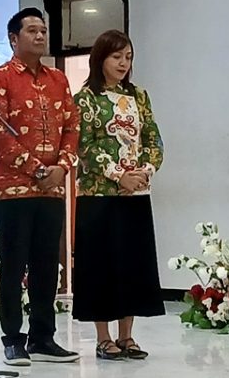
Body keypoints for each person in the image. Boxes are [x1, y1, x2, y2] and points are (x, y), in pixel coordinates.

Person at [0, 7, 81, 366]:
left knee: (46, 266)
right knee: (14, 264)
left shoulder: (58, 79)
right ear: (13, 38)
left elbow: (72, 126)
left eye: (43, 30)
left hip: (51, 188)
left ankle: (43, 337)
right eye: (32, 31)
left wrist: (62, 167)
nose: (39, 36)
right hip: (11, 190)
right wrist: (38, 169)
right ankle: (12, 339)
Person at [72, 29, 165, 360]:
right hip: (98, 195)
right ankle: (103, 337)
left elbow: (153, 140)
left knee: (132, 264)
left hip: (135, 195)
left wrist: (144, 172)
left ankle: (127, 335)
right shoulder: (85, 99)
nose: (123, 63)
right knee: (101, 265)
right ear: (100, 59)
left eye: (128, 57)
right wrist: (118, 175)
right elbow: (84, 146)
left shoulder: (139, 96)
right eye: (116, 56)